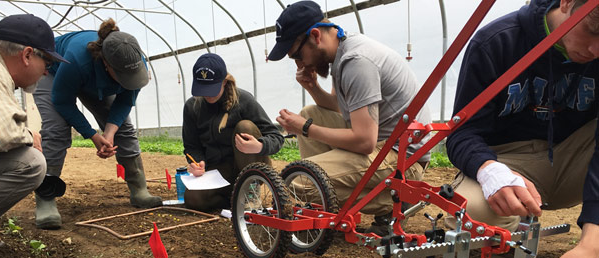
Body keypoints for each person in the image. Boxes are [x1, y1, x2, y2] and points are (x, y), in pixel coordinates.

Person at [446, 0, 599, 258]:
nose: (596, 50)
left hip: (576, 160)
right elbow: (462, 132)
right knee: (474, 211)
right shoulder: (497, 42)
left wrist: (590, 246)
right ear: (567, 3)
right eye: (592, 30)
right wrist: (490, 171)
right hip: (510, 162)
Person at [268, 1, 432, 234]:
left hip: (403, 158)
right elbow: (344, 108)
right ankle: (328, 204)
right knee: (310, 114)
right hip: (383, 143)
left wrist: (305, 129)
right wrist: (313, 87)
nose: (299, 63)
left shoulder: (356, 61)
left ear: (315, 36)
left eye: (297, 54)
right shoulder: (343, 50)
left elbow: (364, 141)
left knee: (300, 182)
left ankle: (398, 200)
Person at [32, 18, 161, 229]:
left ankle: (139, 190)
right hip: (54, 72)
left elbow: (126, 99)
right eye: (122, 76)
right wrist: (92, 135)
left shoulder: (133, 62)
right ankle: (45, 198)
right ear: (106, 64)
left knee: (124, 129)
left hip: (92, 79)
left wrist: (109, 133)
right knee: (56, 130)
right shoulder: (76, 60)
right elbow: (62, 102)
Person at [0, 14, 68, 258]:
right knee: (30, 163)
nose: (47, 70)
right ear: (26, 55)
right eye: (45, 61)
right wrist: (28, 135)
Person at [182, 53, 284, 211]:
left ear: (225, 82)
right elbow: (191, 145)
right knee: (193, 199)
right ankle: (234, 197)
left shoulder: (243, 100)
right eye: (203, 89)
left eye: (212, 89)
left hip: (247, 164)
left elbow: (277, 137)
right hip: (218, 173)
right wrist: (197, 161)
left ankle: (250, 191)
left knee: (245, 127)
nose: (208, 95)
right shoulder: (192, 106)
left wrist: (259, 146)